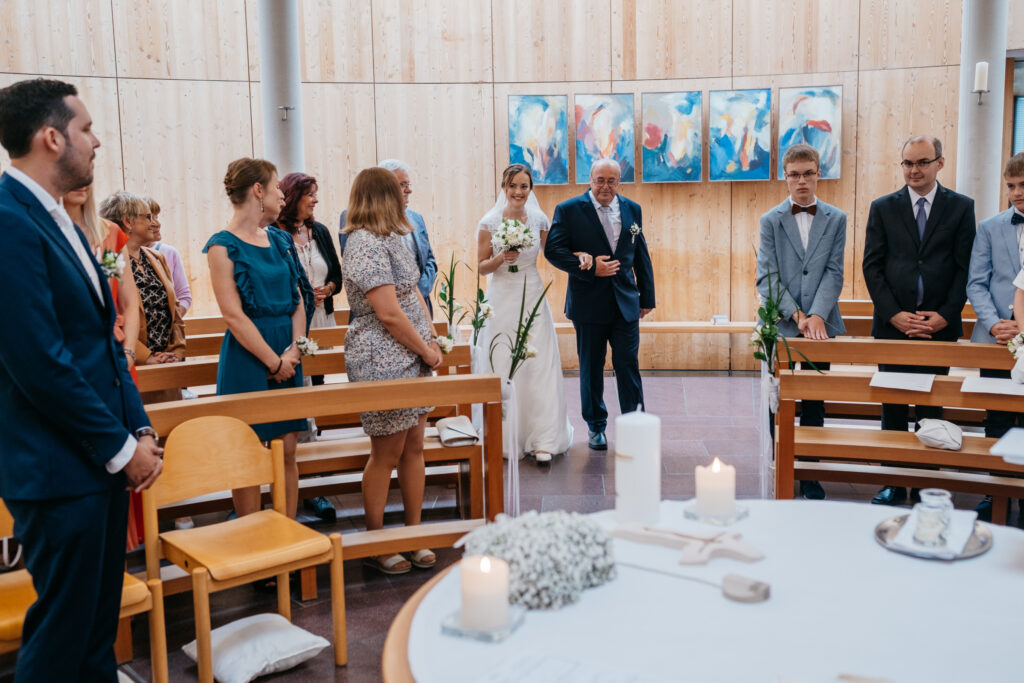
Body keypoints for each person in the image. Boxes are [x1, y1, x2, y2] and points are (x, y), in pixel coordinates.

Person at [0, 77, 162, 681]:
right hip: (58, 471)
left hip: (91, 463)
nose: (96, 140)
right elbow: (39, 362)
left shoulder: (60, 219)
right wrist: (123, 450)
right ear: (50, 137)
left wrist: (138, 428)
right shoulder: (10, 221)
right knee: (63, 636)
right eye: (86, 128)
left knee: (96, 631)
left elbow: (102, 341)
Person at [862, 135, 976, 506]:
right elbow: (872, 266)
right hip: (893, 326)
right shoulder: (883, 208)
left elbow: (965, 269)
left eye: (922, 162)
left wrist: (944, 317)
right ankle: (893, 481)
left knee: (931, 407)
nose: (914, 170)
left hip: (938, 328)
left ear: (940, 163)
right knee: (893, 406)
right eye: (908, 163)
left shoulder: (960, 208)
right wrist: (894, 315)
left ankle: (928, 483)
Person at [342, 167, 442, 575]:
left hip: (413, 352)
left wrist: (432, 338)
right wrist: (427, 351)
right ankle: (378, 540)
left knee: (415, 445)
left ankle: (413, 534)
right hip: (381, 355)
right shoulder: (363, 244)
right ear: (381, 197)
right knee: (387, 451)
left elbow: (414, 294)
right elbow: (387, 312)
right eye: (399, 190)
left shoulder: (396, 238)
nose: (406, 196)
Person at [204, 158, 307, 520]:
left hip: (287, 347)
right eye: (277, 186)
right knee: (245, 452)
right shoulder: (221, 246)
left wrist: (294, 351)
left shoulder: (280, 239)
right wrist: (273, 361)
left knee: (288, 450)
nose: (283, 194)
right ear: (258, 190)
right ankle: (252, 541)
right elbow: (232, 314)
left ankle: (287, 534)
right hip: (248, 354)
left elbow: (298, 300)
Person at [544, 158, 655, 451]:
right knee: (591, 368)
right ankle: (595, 426)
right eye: (600, 180)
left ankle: (635, 424)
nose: (605, 186)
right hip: (588, 303)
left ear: (619, 182)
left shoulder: (632, 210)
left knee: (627, 365)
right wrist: (591, 267)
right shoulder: (568, 210)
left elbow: (639, 252)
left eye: (612, 181)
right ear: (590, 179)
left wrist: (647, 296)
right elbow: (553, 250)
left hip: (625, 303)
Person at [756, 143, 846, 501]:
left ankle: (810, 470)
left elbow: (834, 272)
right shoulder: (770, 220)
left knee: (813, 399)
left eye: (808, 173)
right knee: (776, 401)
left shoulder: (836, 218)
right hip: (782, 324)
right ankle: (780, 464)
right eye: (794, 174)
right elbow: (767, 277)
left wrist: (818, 316)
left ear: (818, 174)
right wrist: (797, 316)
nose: (802, 181)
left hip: (820, 327)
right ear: (785, 177)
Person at [64, 183, 149, 548]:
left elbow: (130, 304)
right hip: (73, 358)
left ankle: (127, 539)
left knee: (127, 439)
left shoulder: (109, 232)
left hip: (116, 357)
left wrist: (128, 353)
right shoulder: (45, 231)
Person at [476, 163, 573, 462]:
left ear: (530, 189)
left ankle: (543, 437)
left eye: (524, 186)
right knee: (502, 359)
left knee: (539, 362)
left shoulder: (540, 219)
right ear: (504, 188)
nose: (518, 192)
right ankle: (504, 436)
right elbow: (481, 265)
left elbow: (552, 253)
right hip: (502, 294)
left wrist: (580, 258)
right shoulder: (489, 221)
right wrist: (501, 259)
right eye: (513, 186)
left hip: (531, 293)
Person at [273, 171, 342, 523]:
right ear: (292, 196)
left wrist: (326, 290)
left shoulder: (322, 232)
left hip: (322, 320)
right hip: (294, 323)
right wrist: (302, 295)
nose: (315, 200)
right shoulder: (276, 234)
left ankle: (313, 482)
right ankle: (297, 480)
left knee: (314, 394)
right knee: (295, 401)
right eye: (309, 195)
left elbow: (338, 277)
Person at [971, 152, 1024, 520]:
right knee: (997, 418)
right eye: (1010, 186)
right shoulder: (990, 227)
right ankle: (995, 489)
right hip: (996, 338)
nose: (1016, 193)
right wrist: (994, 323)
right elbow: (977, 283)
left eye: (1022, 185)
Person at [99, 191, 185, 374]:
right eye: (148, 217)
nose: (155, 223)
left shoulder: (157, 257)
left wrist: (175, 351)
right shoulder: (110, 258)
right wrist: (144, 356)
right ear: (128, 221)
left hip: (166, 361)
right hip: (131, 362)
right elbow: (111, 310)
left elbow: (174, 308)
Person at [339, 159, 437, 315]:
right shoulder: (356, 222)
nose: (408, 190)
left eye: (408, 185)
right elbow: (359, 270)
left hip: (418, 307)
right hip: (379, 313)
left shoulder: (416, 218)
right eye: (402, 185)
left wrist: (417, 292)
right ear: (384, 188)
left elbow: (429, 260)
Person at [144, 195, 192, 315]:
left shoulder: (169, 253)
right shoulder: (120, 256)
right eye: (149, 218)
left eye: (157, 217)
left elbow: (184, 296)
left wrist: (172, 322)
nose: (157, 224)